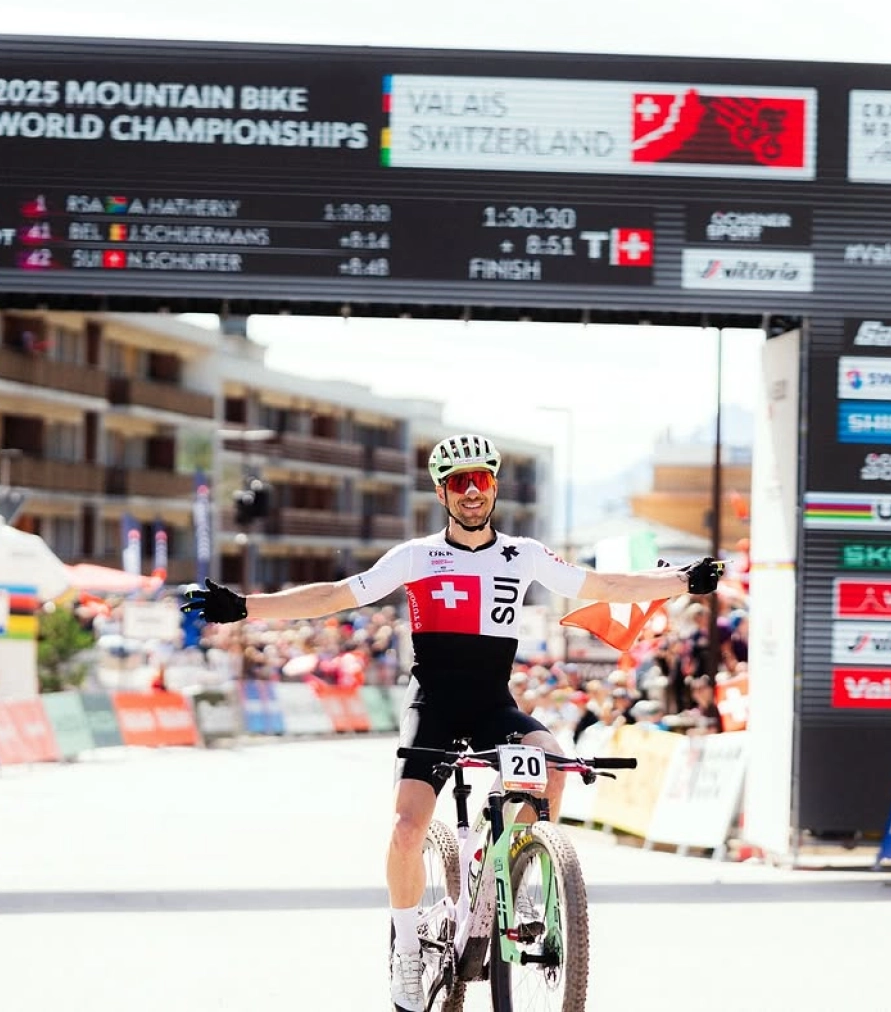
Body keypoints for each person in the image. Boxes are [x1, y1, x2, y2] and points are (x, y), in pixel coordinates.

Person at [181, 433, 723, 1012]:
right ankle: (409, 950)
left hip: (492, 702)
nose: (471, 492)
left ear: (493, 489)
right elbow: (338, 596)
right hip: (433, 703)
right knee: (408, 829)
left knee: (552, 763)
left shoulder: (526, 553)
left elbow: (604, 586)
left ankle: (521, 881)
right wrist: (245, 607)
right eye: (459, 482)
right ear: (443, 492)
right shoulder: (415, 556)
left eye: (481, 480)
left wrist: (681, 581)